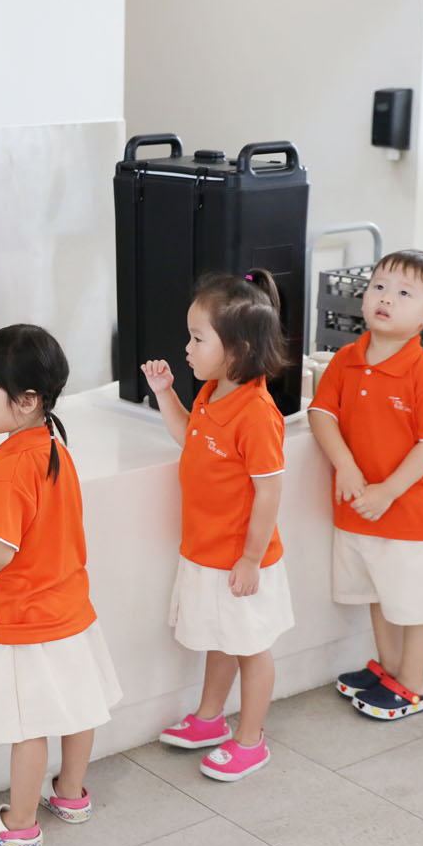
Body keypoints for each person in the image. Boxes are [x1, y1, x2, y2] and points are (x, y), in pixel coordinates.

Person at [0, 324, 121, 846]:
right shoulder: (51, 443)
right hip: (70, 608)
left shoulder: (8, 467)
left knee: (28, 727)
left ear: (25, 401)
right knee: (78, 709)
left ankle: (19, 824)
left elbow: (0, 551)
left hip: (26, 621)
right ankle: (70, 794)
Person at [140, 269, 293, 781]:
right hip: (207, 551)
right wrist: (165, 393)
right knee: (221, 640)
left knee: (250, 647)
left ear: (238, 347)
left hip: (240, 561)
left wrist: (250, 558)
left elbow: (269, 490)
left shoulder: (256, 413)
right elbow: (190, 437)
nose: (187, 346)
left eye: (198, 338)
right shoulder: (211, 392)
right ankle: (210, 719)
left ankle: (251, 739)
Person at [309, 250, 423, 721]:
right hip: (359, 508)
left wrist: (387, 490)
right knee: (379, 595)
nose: (386, 298)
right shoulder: (347, 359)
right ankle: (391, 670)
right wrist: (347, 468)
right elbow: (321, 414)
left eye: (404, 293)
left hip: (409, 515)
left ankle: (413, 685)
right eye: (378, 287)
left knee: (415, 603)